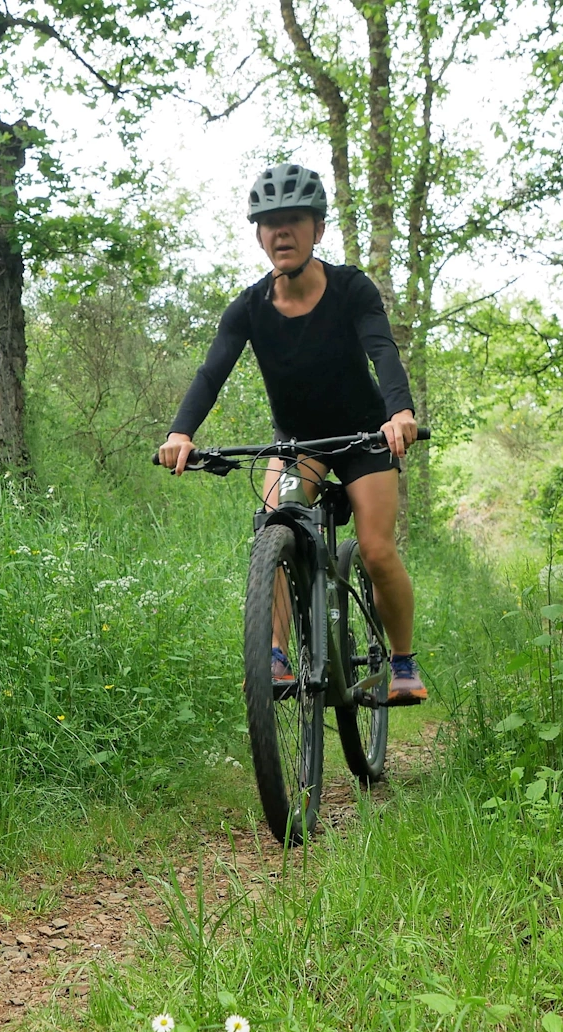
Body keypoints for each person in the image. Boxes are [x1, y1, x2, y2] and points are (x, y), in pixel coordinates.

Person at [158, 162, 426, 705]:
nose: (282, 232)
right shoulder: (249, 309)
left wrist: (399, 412)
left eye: (295, 220)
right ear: (259, 234)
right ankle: (276, 656)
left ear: (318, 229)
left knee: (375, 550)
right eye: (270, 222)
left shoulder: (351, 289)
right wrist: (181, 432)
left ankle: (402, 661)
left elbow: (382, 349)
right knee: (274, 526)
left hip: (363, 440)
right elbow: (212, 372)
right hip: (298, 443)